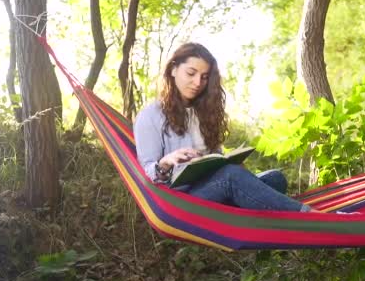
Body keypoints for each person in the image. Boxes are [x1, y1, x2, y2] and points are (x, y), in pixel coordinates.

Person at [134, 43, 315, 212]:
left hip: (214, 188)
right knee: (231, 176)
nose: (198, 83)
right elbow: (147, 174)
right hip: (182, 201)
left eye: (204, 77)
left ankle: (240, 207)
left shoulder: (203, 111)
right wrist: (166, 161)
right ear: (173, 70)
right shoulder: (150, 116)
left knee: (275, 177)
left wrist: (231, 162)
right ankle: (309, 216)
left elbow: (214, 158)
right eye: (191, 73)